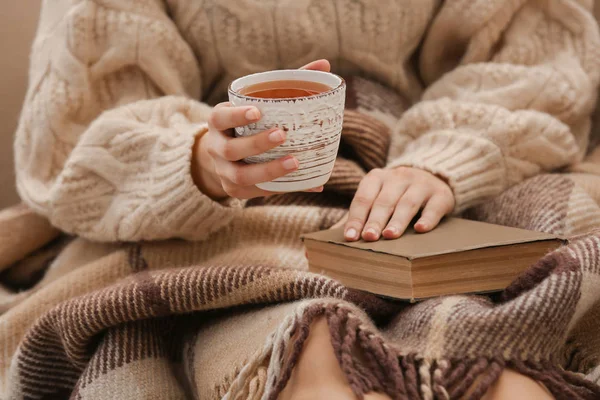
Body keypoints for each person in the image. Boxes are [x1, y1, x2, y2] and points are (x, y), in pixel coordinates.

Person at [13, 0, 599, 399]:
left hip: (454, 167)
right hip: (219, 206)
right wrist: (197, 160)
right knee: (313, 349)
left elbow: (538, 60)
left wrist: (447, 159)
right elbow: (76, 128)